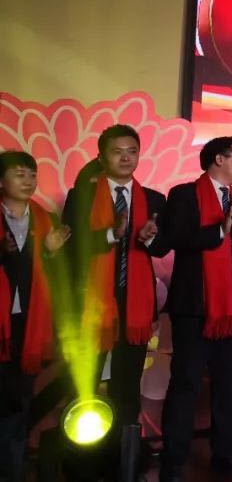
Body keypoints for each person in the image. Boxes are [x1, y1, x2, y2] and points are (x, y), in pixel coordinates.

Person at [158, 137, 232, 480]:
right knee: (186, 383)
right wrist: (218, 233)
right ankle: (173, 460)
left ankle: (225, 454)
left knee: (228, 385)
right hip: (195, 307)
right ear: (219, 159)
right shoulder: (183, 194)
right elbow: (176, 238)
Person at [61, 125, 167, 454]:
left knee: (126, 384)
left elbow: (162, 248)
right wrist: (111, 234)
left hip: (136, 305)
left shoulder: (154, 199)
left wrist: (150, 239)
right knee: (86, 383)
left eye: (132, 151)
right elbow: (72, 247)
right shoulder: (81, 196)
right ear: (102, 156)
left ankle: (123, 456)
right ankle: (83, 458)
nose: (125, 158)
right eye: (117, 152)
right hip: (92, 304)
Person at [0, 151, 70, 482]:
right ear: (1, 181)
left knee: (17, 404)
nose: (28, 181)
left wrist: (50, 254)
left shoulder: (46, 219)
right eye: (19, 174)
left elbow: (57, 277)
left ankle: (11, 470)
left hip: (27, 326)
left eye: (32, 174)